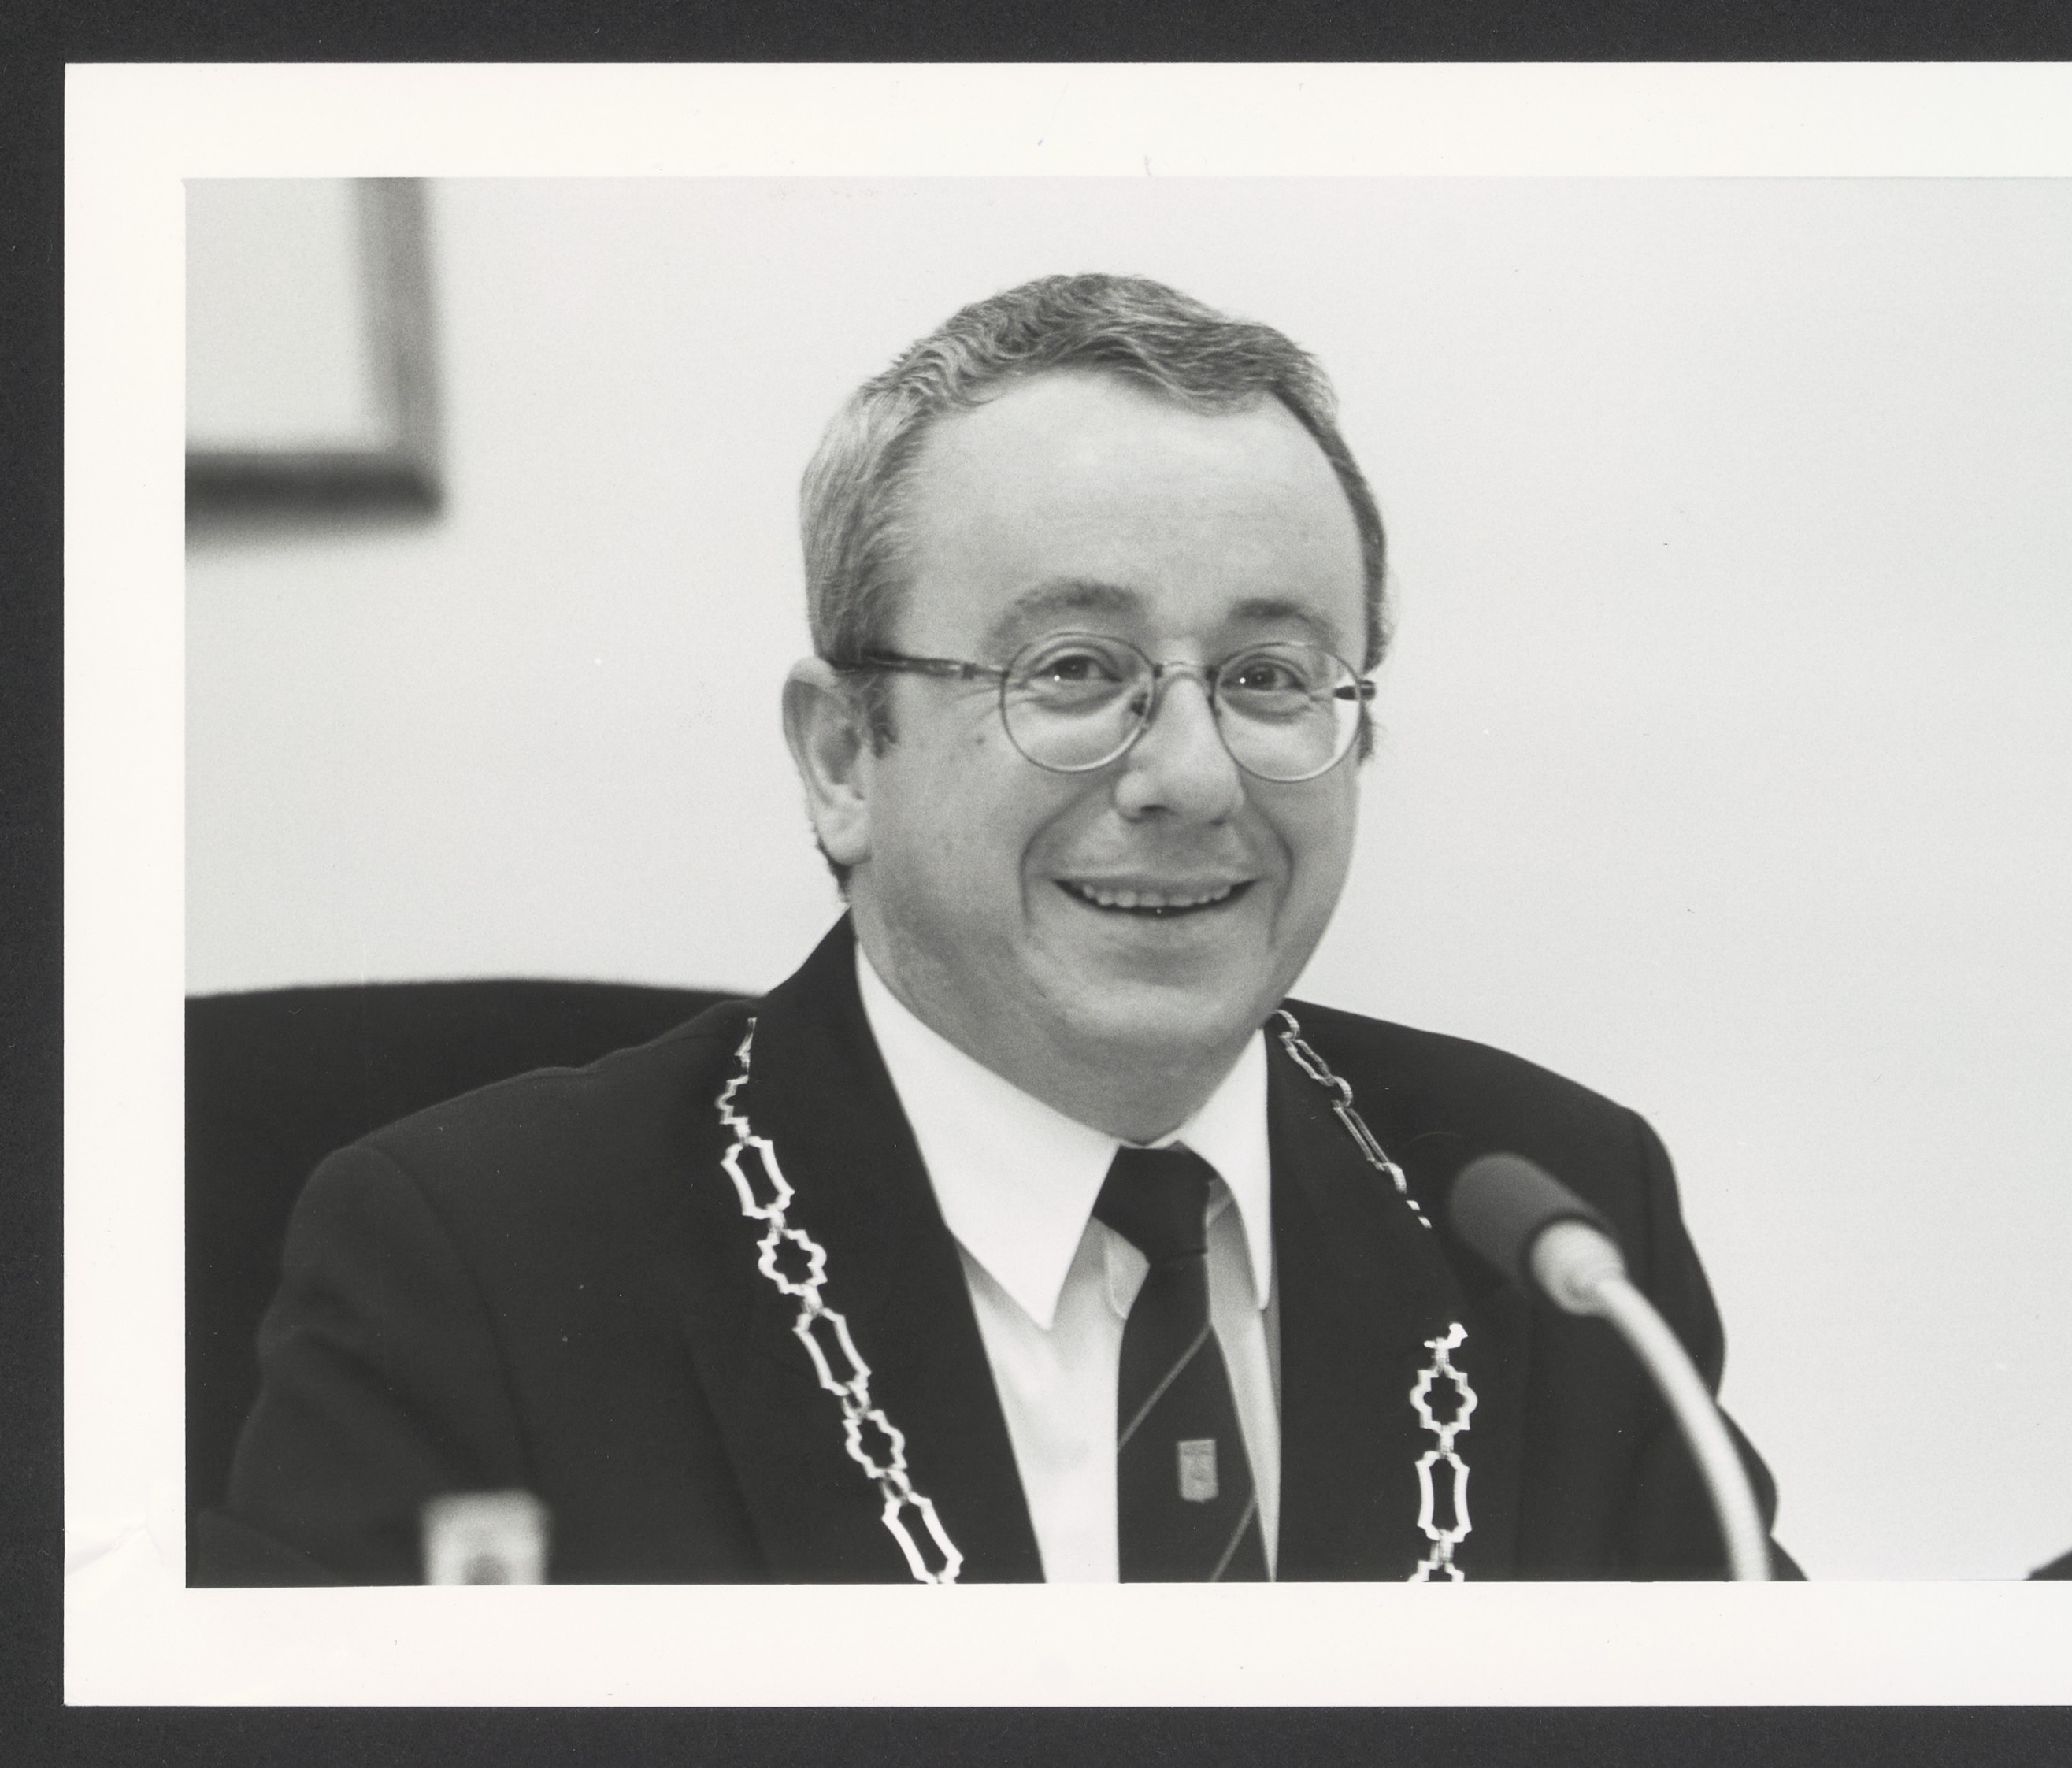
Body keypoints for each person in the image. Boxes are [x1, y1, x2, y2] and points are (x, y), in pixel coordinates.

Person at [198, 273, 1793, 1585]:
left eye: (1271, 678)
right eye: (1074, 672)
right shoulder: (477, 1264)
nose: (1191, 778)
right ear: (843, 757)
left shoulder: (1559, 1229)